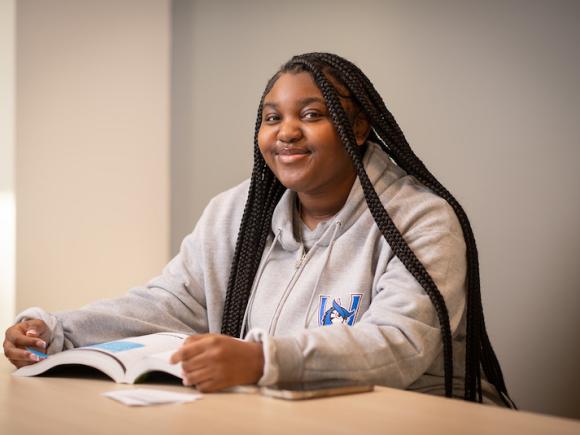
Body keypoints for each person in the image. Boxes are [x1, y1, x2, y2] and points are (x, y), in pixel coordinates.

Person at [3, 52, 514, 406]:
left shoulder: (420, 219)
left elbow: (399, 347)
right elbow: (169, 301)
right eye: (272, 118)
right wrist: (59, 328)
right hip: (286, 414)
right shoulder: (237, 213)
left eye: (312, 114)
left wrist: (260, 359)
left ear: (358, 128)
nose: (286, 131)